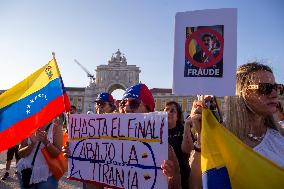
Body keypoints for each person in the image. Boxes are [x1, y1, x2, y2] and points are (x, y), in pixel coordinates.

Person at [189, 62, 284, 188]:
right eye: (265, 88)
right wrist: (202, 137)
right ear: (242, 93)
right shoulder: (221, 136)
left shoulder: (280, 138)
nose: (274, 94)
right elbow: (196, 186)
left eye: (277, 87)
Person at [121, 83, 181, 189]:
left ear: (148, 111)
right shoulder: (111, 143)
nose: (127, 109)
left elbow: (176, 186)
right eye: (123, 103)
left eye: (133, 103)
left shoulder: (166, 150)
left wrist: (170, 178)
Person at [17, 115, 64, 189]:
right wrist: (32, 144)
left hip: (47, 174)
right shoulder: (27, 126)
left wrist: (46, 142)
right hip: (26, 171)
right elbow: (20, 154)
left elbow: (56, 153)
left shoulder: (56, 128)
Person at [164, 101, 193, 189]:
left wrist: (187, 126)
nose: (168, 112)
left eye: (172, 111)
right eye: (166, 110)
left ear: (177, 116)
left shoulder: (182, 129)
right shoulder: (157, 129)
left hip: (182, 178)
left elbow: (187, 150)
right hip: (163, 177)